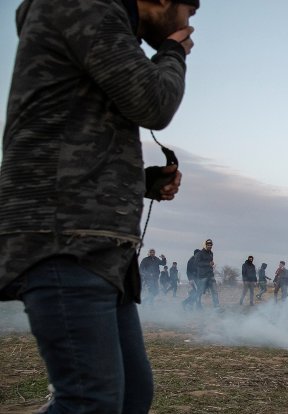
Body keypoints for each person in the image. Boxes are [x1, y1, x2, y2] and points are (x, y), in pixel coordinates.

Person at [0, 0, 198, 411]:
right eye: (189, 11)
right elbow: (153, 101)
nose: (189, 23)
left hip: (96, 244)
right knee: (91, 401)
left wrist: (142, 183)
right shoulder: (84, 4)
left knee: (129, 396)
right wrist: (173, 52)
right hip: (64, 238)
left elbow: (74, 135)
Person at [195, 239, 219, 310]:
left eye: (211, 245)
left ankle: (216, 307)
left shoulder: (211, 253)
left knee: (214, 291)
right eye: (208, 245)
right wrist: (208, 264)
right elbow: (197, 263)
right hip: (202, 276)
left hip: (210, 275)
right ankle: (196, 304)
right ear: (205, 245)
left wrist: (211, 265)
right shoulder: (200, 253)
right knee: (200, 292)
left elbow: (210, 263)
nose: (209, 246)